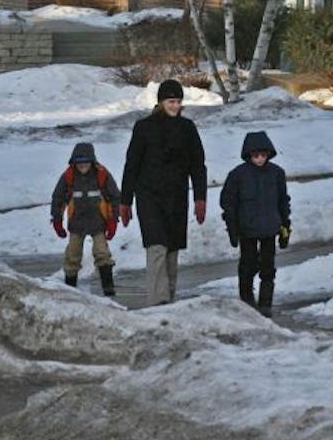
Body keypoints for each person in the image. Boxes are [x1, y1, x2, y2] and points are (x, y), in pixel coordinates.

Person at [119, 78, 207, 305]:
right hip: (149, 196)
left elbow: (198, 165)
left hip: (177, 197)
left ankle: (168, 299)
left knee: (172, 251)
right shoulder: (144, 128)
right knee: (156, 247)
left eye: (178, 101)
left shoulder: (187, 129)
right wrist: (125, 201)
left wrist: (200, 198)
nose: (175, 106)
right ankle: (158, 302)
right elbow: (132, 165)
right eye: (171, 101)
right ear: (160, 102)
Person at [219, 130, 291, 316]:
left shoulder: (277, 173)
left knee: (268, 267)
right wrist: (232, 229)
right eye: (255, 155)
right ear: (248, 155)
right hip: (247, 229)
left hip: (270, 228)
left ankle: (266, 303)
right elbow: (228, 202)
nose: (259, 159)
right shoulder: (238, 175)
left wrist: (285, 228)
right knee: (247, 265)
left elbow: (283, 202)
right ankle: (247, 302)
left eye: (263, 155)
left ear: (269, 154)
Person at [50, 142, 121, 297]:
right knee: (72, 256)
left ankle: (109, 290)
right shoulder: (68, 176)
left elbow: (115, 197)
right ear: (74, 163)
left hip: (98, 223)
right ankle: (70, 291)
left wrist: (113, 220)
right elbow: (58, 198)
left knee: (102, 253)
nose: (83, 166)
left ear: (92, 162)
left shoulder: (102, 175)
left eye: (86, 163)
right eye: (79, 164)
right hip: (77, 224)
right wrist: (57, 220)